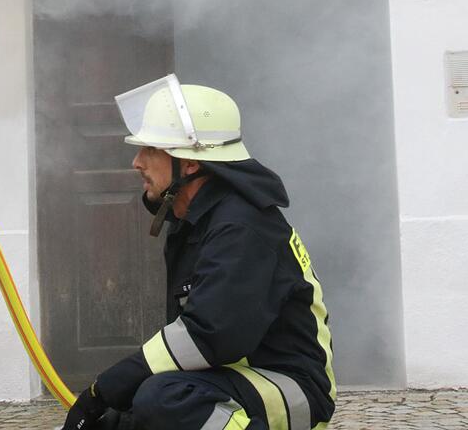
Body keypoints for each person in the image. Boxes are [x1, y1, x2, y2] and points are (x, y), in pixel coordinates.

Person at [62, 74, 335, 430]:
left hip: (290, 389)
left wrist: (105, 389)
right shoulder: (202, 220)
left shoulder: (242, 229)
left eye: (151, 150)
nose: (137, 162)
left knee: (165, 399)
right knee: (120, 420)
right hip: (234, 378)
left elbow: (208, 336)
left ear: (190, 164)